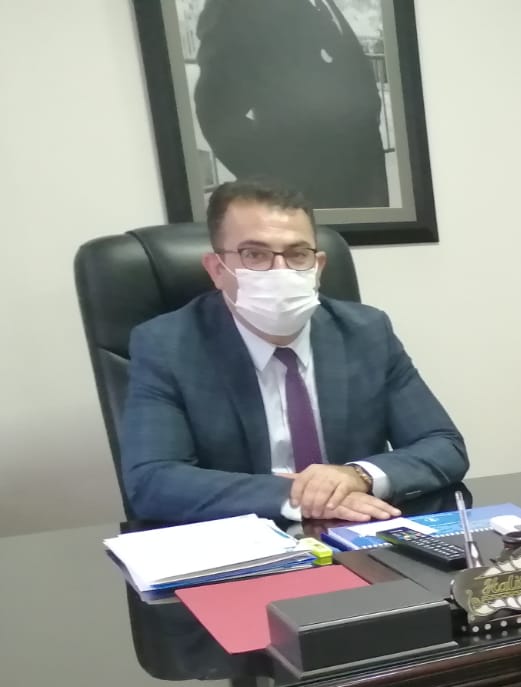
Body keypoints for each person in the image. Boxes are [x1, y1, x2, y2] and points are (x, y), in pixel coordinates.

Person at [120, 179, 467, 524]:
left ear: (318, 266)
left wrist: (357, 475)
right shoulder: (167, 345)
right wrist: (299, 496)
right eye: (254, 255)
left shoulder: (366, 332)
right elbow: (152, 480)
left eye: (297, 254)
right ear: (216, 270)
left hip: (358, 532)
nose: (280, 272)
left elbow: (443, 444)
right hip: (244, 541)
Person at [193, 0, 389, 210]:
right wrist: (278, 181)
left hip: (366, 184)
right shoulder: (238, 6)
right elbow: (215, 113)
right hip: (305, 197)